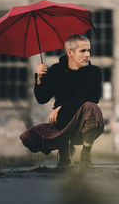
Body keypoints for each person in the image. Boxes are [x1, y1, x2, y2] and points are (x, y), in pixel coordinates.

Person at [20, 34, 104, 167]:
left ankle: (85, 154)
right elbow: (42, 99)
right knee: (29, 135)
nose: (87, 54)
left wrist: (61, 106)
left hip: (82, 122)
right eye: (83, 51)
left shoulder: (94, 72)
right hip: (61, 122)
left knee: (91, 107)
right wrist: (39, 80)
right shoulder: (56, 71)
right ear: (70, 52)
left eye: (88, 50)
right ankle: (65, 156)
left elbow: (93, 98)